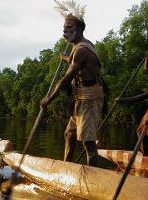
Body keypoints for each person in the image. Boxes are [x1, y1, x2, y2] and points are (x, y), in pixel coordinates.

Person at [40, 1, 104, 166]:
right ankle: (66, 169)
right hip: (80, 99)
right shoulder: (79, 48)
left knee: (88, 143)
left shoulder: (82, 49)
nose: (65, 30)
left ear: (80, 29)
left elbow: (65, 80)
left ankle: (92, 178)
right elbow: (78, 64)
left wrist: (49, 98)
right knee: (69, 134)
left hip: (90, 100)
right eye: (64, 28)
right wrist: (65, 58)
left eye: (69, 28)